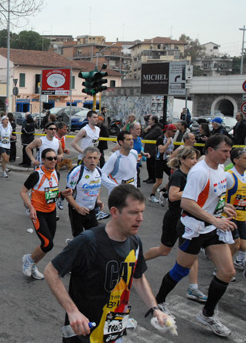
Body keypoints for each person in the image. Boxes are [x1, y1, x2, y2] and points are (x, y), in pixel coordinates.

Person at [44, 184, 170, 343]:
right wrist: (72, 311)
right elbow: (51, 271)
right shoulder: (88, 241)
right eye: (133, 213)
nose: (140, 218)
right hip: (85, 333)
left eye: (141, 212)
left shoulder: (134, 242)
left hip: (114, 332)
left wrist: (155, 309)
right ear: (114, 212)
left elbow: (138, 278)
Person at [154, 134, 236, 337]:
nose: (228, 155)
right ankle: (159, 301)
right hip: (193, 228)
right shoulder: (199, 172)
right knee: (181, 270)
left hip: (211, 227)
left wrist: (223, 207)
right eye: (224, 151)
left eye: (229, 151)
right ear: (210, 150)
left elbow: (209, 197)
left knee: (227, 271)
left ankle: (207, 314)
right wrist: (215, 220)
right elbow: (186, 203)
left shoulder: (220, 170)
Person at [144, 146, 207, 302]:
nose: (194, 161)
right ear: (182, 160)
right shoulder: (178, 176)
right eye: (191, 158)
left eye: (195, 158)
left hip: (189, 219)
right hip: (174, 218)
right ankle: (134, 263)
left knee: (192, 254)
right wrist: (193, 192)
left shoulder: (194, 175)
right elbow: (172, 196)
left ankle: (193, 288)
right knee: (164, 250)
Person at [20, 148, 61, 280]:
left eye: (55, 158)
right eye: (50, 158)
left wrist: (62, 194)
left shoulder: (56, 173)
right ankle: (29, 260)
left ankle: (32, 264)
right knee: (47, 243)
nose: (53, 161)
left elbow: (53, 193)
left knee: (47, 245)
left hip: (51, 211)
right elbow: (23, 191)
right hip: (38, 212)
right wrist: (30, 207)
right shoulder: (36, 175)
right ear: (43, 160)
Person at [62, 147, 103, 238]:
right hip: (77, 211)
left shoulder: (99, 171)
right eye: (89, 158)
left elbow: (97, 186)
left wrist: (98, 200)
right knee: (79, 238)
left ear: (98, 159)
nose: (92, 161)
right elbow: (67, 194)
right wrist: (78, 208)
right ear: (84, 159)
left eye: (95, 158)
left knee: (94, 237)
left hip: (91, 211)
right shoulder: (77, 172)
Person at [100, 131, 138, 222]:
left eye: (132, 139)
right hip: (118, 196)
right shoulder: (115, 157)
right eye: (128, 139)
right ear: (121, 142)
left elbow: (133, 173)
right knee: (119, 222)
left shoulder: (134, 153)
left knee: (130, 221)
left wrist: (135, 189)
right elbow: (102, 175)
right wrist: (114, 187)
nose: (132, 141)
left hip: (131, 194)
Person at [225, 148, 246, 274]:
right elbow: (217, 195)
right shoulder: (228, 176)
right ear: (236, 160)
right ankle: (223, 268)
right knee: (235, 244)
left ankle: (236, 261)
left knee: (243, 246)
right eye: (245, 158)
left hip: (242, 216)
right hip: (229, 216)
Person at [149, 124, 177, 203]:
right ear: (168, 130)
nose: (174, 133)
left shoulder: (171, 138)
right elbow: (161, 150)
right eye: (173, 131)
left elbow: (171, 150)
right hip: (159, 161)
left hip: (167, 160)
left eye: (175, 131)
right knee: (159, 181)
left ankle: (163, 190)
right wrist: (167, 143)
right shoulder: (160, 139)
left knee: (173, 176)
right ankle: (152, 195)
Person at [142, 115, 162, 183]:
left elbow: (147, 137)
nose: (148, 121)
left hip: (153, 149)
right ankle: (150, 177)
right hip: (148, 148)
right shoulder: (151, 128)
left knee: (152, 165)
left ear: (153, 120)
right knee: (148, 164)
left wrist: (147, 130)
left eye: (150, 119)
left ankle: (153, 178)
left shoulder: (157, 129)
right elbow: (143, 135)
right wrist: (146, 130)